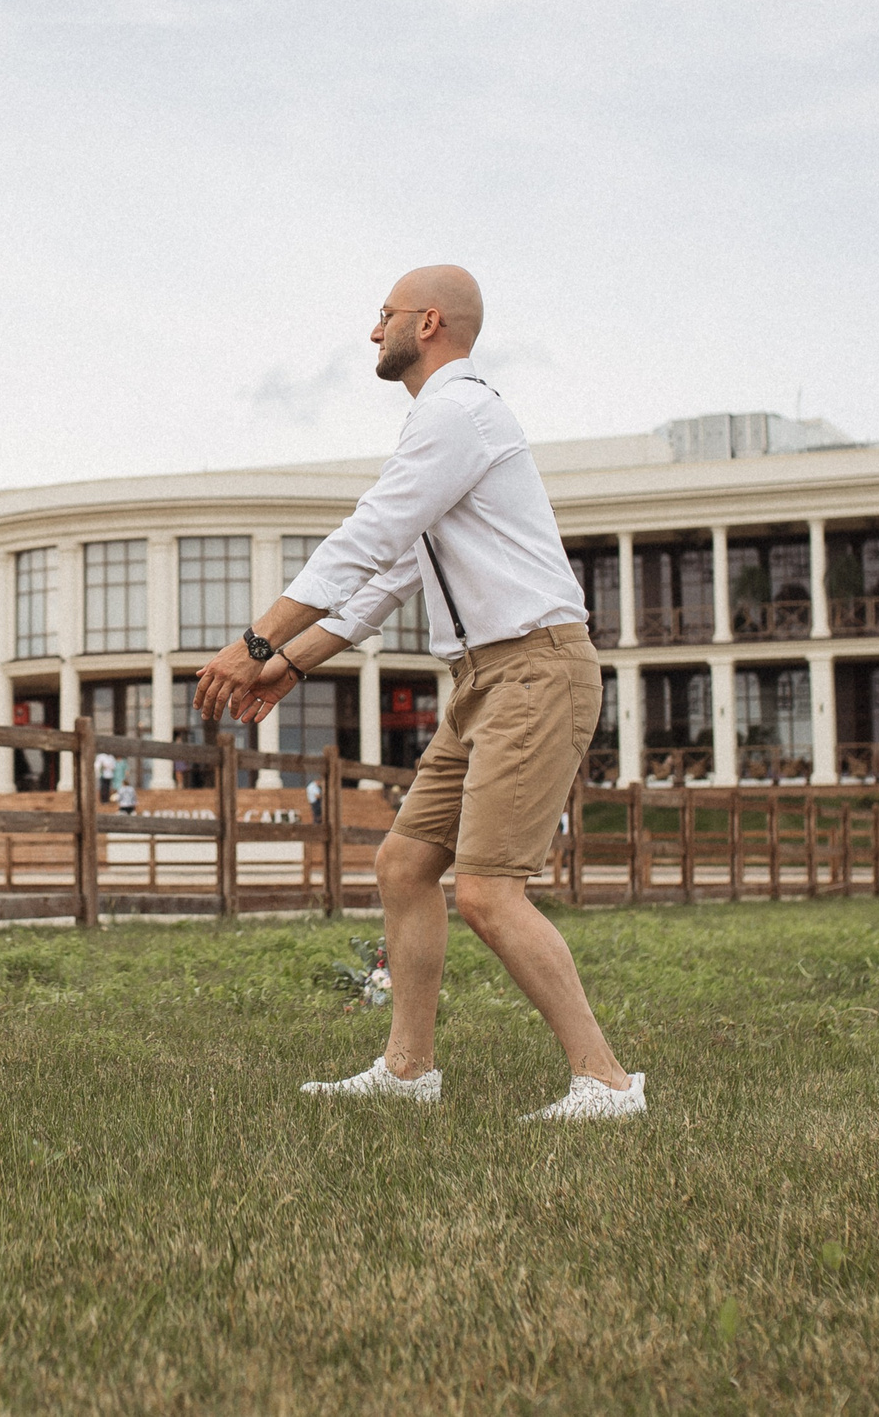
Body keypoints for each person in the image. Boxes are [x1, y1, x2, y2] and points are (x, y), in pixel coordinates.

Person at [189, 264, 642, 1122]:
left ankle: (607, 1083)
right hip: (483, 679)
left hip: (536, 670)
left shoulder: (456, 413)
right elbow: (394, 569)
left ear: (428, 322)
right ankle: (408, 1071)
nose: (373, 332)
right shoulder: (444, 426)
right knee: (404, 865)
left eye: (384, 315)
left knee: (486, 890)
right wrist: (292, 665)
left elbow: (368, 535)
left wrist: (257, 641)